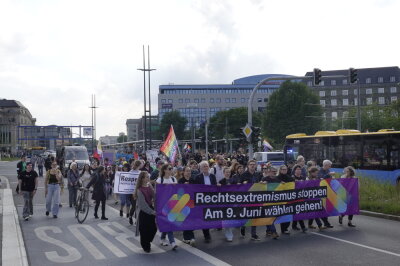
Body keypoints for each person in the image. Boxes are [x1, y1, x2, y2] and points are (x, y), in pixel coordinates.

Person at [190, 161, 217, 243]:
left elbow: (215, 187)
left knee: (209, 217)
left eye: (207, 166)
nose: (206, 167)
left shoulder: (212, 176)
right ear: (201, 168)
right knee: (204, 217)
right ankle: (207, 235)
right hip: (202, 201)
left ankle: (207, 231)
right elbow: (195, 189)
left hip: (211, 200)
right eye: (204, 166)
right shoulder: (198, 177)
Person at [134, 171, 157, 253]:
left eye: (148, 176)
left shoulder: (149, 185)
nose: (148, 178)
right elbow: (142, 205)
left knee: (153, 228)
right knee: (144, 230)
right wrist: (152, 212)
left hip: (150, 209)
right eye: (146, 177)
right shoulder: (139, 190)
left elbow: (154, 196)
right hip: (143, 212)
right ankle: (146, 246)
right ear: (142, 179)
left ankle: (147, 241)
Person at [156, 164, 178, 250]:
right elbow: (156, 192)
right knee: (169, 222)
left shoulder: (173, 179)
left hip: (172, 204)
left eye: (171, 168)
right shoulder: (160, 180)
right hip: (163, 205)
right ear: (164, 170)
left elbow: (177, 191)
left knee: (167, 222)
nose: (171, 170)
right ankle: (172, 242)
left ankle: (162, 237)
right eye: (169, 168)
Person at [239, 160, 261, 241]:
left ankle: (253, 234)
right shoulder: (244, 175)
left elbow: (260, 183)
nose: (252, 166)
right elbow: (238, 185)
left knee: (254, 216)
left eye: (253, 164)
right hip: (246, 199)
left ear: (255, 166)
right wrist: (243, 184)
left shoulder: (258, 174)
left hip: (255, 198)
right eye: (250, 164)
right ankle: (242, 227)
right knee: (245, 215)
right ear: (248, 166)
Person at [260, 166, 279, 239]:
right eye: (273, 171)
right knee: (270, 216)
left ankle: (268, 230)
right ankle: (274, 231)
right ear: (269, 172)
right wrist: (262, 183)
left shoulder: (277, 179)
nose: (274, 173)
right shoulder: (264, 179)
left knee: (272, 217)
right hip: (267, 201)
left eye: (275, 171)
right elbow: (260, 187)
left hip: (275, 201)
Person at [179, 166, 196, 246]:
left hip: (192, 203)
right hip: (183, 203)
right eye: (187, 171)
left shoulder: (193, 180)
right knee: (185, 220)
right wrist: (183, 186)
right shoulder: (181, 181)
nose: (189, 172)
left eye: (190, 171)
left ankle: (186, 238)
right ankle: (190, 237)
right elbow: (178, 192)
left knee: (191, 220)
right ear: (183, 172)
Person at [276, 165, 294, 234]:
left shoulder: (289, 178)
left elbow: (294, 184)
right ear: (280, 170)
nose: (284, 170)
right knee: (282, 214)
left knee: (288, 213)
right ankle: (283, 229)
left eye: (285, 169)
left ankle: (286, 227)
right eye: (283, 169)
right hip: (280, 199)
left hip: (289, 198)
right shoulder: (277, 178)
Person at [219, 167, 235, 242]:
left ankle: (229, 233)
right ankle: (229, 235)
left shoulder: (233, 180)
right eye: (226, 172)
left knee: (231, 218)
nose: (228, 173)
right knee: (226, 218)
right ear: (224, 173)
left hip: (232, 202)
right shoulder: (221, 181)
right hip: (224, 202)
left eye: (229, 172)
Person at [291, 164, 307, 233]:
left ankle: (294, 225)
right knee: (298, 211)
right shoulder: (292, 178)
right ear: (294, 170)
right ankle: (303, 227)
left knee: (297, 211)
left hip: (301, 196)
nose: (299, 171)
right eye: (297, 169)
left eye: (300, 169)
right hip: (294, 197)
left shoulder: (303, 177)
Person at [128, 160, 142, 225]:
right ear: (139, 165)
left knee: (138, 206)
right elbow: (127, 181)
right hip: (132, 192)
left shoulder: (140, 172)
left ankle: (137, 219)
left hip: (139, 191)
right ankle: (130, 216)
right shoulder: (131, 172)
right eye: (141, 164)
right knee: (134, 206)